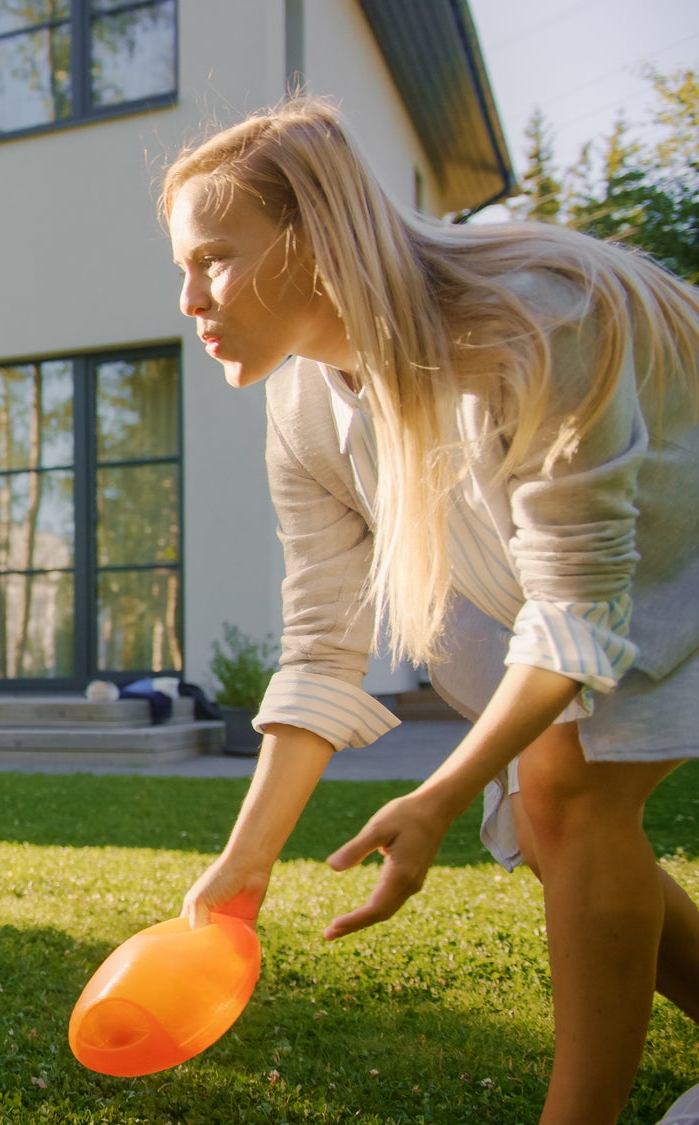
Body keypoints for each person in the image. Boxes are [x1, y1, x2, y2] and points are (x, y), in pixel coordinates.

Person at [163, 97, 699, 1122]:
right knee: (554, 830)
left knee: (564, 792)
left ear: (314, 237)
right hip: (592, 587)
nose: (188, 298)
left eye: (213, 259)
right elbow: (322, 644)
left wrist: (441, 794)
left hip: (673, 551)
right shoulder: (300, 400)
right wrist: (244, 860)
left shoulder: (537, 316)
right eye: (180, 267)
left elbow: (578, 603)